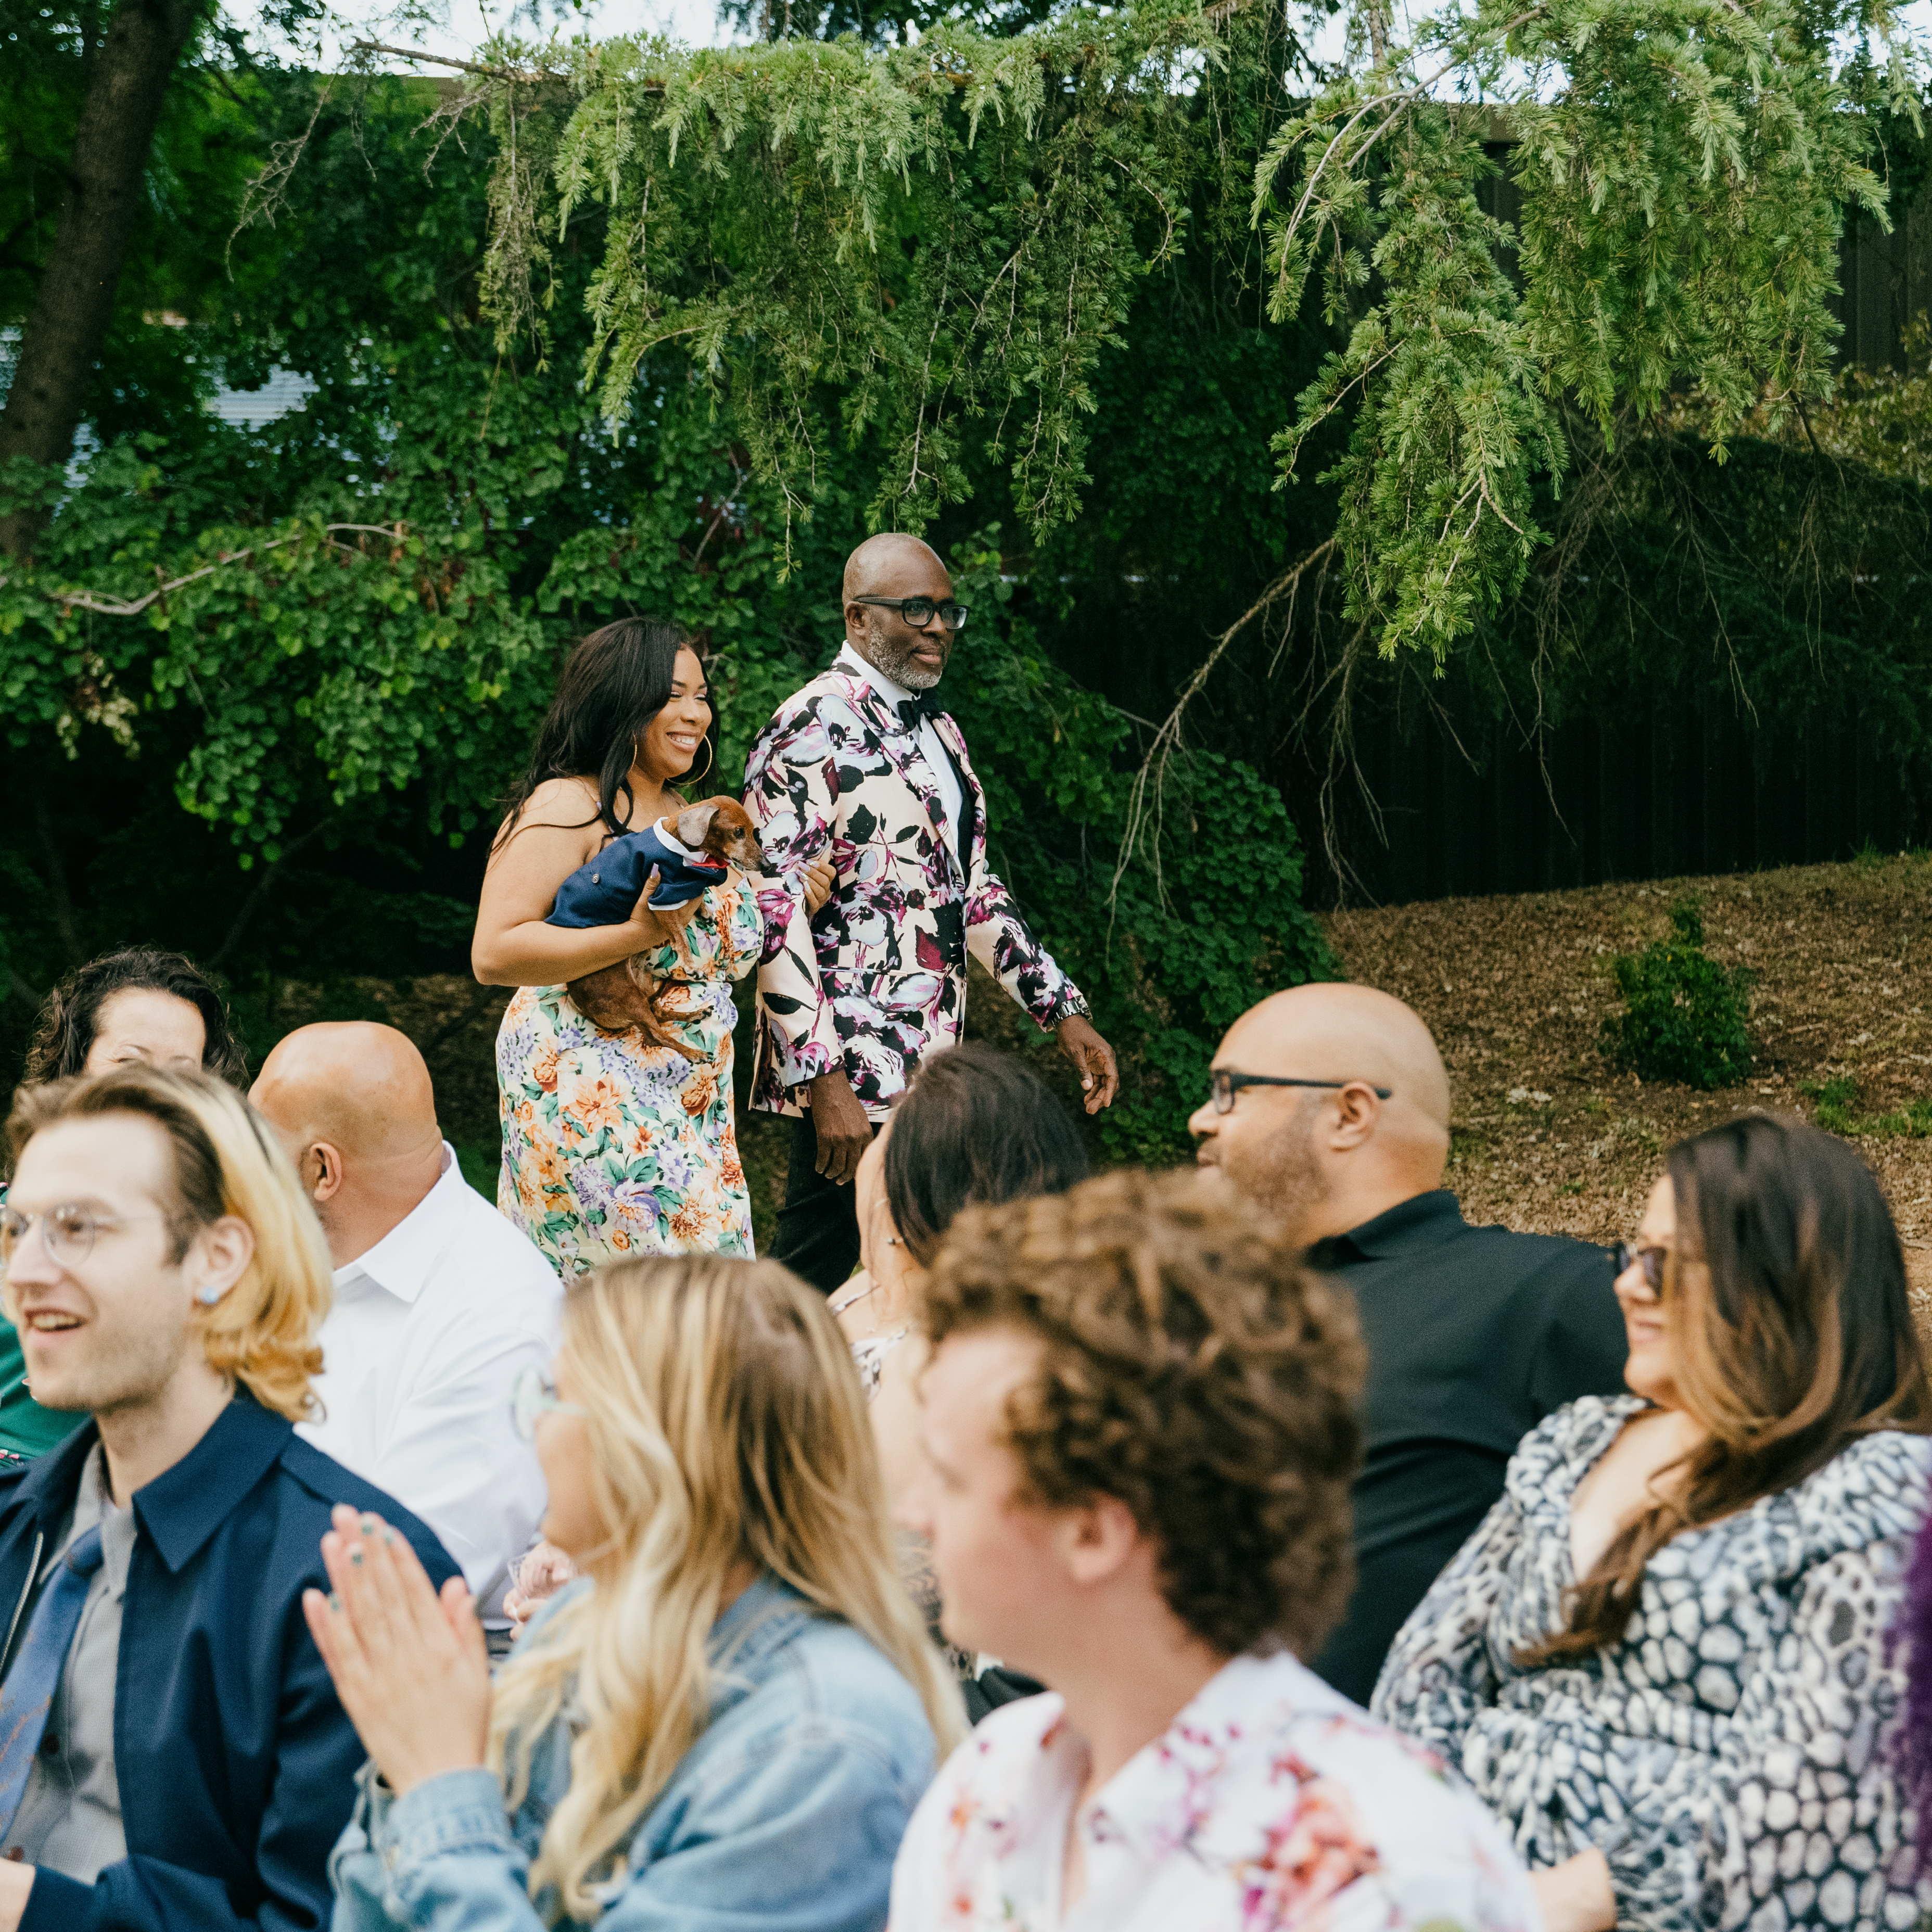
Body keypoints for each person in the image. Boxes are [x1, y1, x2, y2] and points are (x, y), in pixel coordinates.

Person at [888, 1166, 1541, 1932]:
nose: (912, 1511)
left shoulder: (1382, 1871)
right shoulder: (990, 1781)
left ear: (1096, 1530)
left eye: (951, 1478)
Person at [1375, 1113, 1932, 1932]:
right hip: (1458, 1876)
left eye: (1669, 1265)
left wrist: (1570, 1901)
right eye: (1634, 1255)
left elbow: (1828, 1799)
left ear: (1781, 1282)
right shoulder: (1580, 1437)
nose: (1630, 1286)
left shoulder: (1879, 1490)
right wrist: (1433, 1855)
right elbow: (1425, 1674)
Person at [320, 1254, 962, 1932]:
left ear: (650, 1441)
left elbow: (446, 1849)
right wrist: (408, 1765)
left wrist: (439, 1787)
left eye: (553, 1395)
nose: (531, 1424)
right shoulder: (574, 1627)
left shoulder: (824, 1743)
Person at [0, 1064, 455, 1932]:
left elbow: (320, 1922)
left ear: (218, 1256)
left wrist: (35, 1911)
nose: (24, 1269)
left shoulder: (353, 1580)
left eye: (76, 1228)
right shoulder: (23, 1520)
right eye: (16, 1226)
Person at [1189, 981, 1628, 1704]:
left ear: (1349, 1114)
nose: (1201, 1118)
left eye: (1230, 1091)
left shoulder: (1543, 1293)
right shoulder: (1209, 1318)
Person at [742, 532, 1118, 1293]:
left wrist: (1062, 1010)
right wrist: (823, 1079)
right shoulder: (807, 726)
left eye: (948, 611)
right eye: (917, 609)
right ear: (857, 619)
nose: (939, 627)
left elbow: (971, 888)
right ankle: (740, 1405)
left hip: (930, 1062)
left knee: (927, 1264)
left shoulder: (940, 732)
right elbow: (774, 913)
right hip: (851, 1064)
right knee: (810, 1271)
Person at [474, 618, 830, 1274]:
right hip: (589, 1083)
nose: (697, 712)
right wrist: (636, 935)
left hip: (693, 1091)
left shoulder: (694, 815)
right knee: (672, 1307)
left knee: (700, 1302)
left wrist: (790, 898)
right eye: (675, 694)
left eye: (701, 695)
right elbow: (496, 952)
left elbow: (712, 941)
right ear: (622, 700)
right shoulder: (570, 804)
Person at [249, 1022, 561, 1636]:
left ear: (321, 1172)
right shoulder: (295, 1252)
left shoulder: (498, 1320)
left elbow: (388, 1590)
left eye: (255, 1147)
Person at [830, 1040, 1087, 1713]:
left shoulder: (955, 1358)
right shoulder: (852, 1301)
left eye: (887, 1134)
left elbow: (901, 1579)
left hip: (886, 1693)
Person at [0, 947, 248, 1465]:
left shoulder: (233, 1242)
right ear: (76, 1066)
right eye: (129, 1063)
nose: (153, 1090)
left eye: (182, 1071)